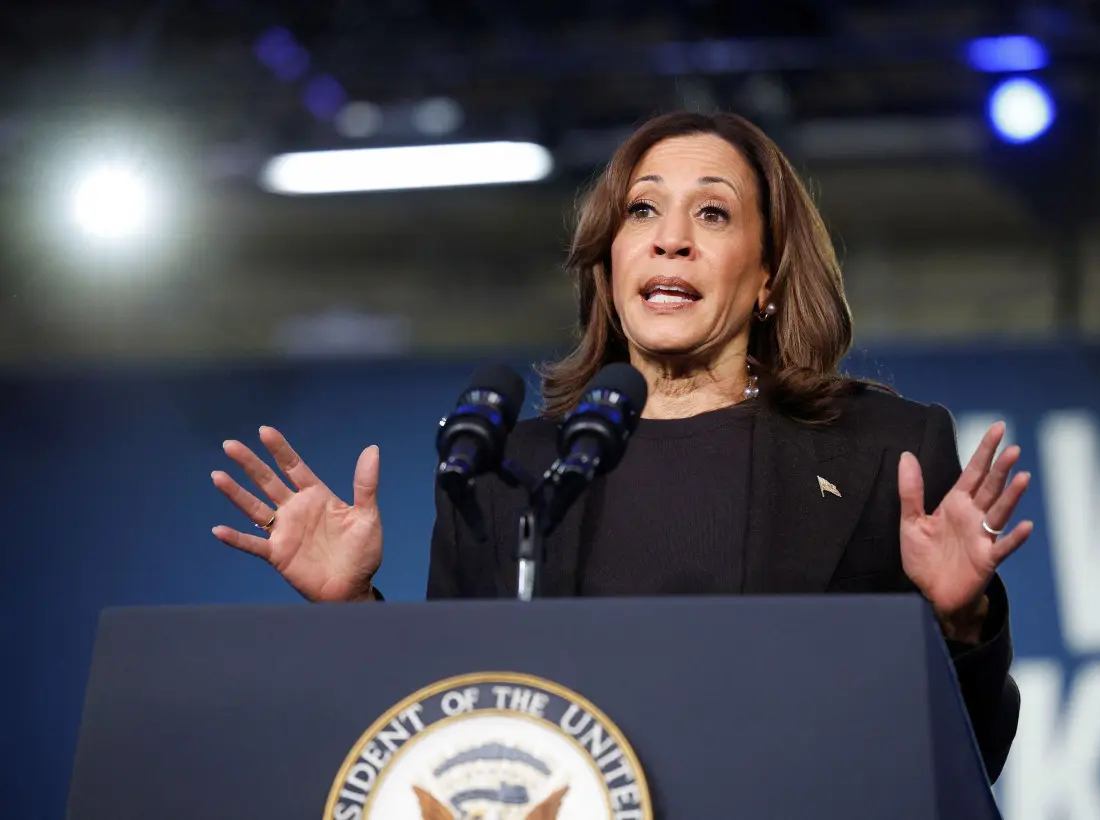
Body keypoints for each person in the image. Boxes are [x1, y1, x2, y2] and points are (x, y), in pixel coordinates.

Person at [210, 110, 1032, 782]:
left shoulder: (884, 453)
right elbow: (454, 732)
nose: (670, 239)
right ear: (609, 261)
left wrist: (962, 621)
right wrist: (352, 612)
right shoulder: (509, 474)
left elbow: (972, 759)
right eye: (643, 210)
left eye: (712, 213)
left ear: (770, 275)